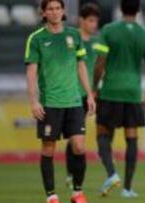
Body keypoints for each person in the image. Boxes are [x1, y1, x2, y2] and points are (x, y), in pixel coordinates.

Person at [24, 0, 96, 202]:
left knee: (79, 147)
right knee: (48, 148)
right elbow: (31, 73)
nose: (54, 12)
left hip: (73, 101)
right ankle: (51, 195)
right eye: (50, 9)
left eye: (58, 8)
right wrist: (34, 101)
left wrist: (89, 94)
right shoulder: (36, 39)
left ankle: (77, 192)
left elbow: (81, 65)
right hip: (50, 103)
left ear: (63, 11)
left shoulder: (74, 35)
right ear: (44, 12)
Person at [93, 0, 145, 198]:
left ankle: (112, 173)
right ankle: (127, 189)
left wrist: (94, 88)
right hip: (133, 92)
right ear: (138, 10)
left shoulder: (108, 30)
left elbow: (100, 63)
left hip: (111, 90)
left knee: (103, 134)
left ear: (120, 9)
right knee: (131, 137)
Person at [64, 2, 100, 190]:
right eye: (91, 20)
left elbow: (99, 68)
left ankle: (72, 176)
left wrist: (93, 91)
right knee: (73, 137)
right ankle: (71, 175)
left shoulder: (97, 43)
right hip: (69, 94)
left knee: (76, 136)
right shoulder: (71, 39)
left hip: (87, 95)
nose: (94, 24)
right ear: (81, 20)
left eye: (96, 21)